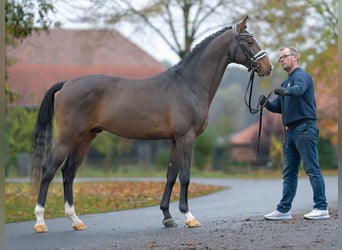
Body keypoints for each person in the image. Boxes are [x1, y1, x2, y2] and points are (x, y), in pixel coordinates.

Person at [261, 47, 329, 220]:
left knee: (312, 169)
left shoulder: (301, 76)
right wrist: (266, 104)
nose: (282, 60)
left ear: (295, 57)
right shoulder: (286, 82)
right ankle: (284, 210)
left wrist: (286, 92)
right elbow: (278, 106)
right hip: (290, 132)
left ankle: (321, 208)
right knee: (289, 173)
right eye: (280, 58)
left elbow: (298, 90)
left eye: (285, 56)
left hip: (304, 129)